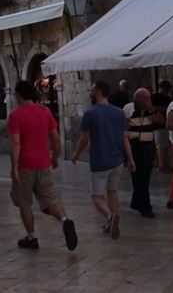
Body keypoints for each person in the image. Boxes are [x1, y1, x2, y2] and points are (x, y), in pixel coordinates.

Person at [5, 79, 78, 251]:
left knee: (24, 203)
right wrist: (56, 157)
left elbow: (16, 144)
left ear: (17, 95)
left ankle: (32, 238)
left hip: (25, 165)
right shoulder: (45, 112)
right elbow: (55, 137)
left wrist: (14, 168)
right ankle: (65, 221)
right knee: (50, 198)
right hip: (44, 163)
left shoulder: (15, 115)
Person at [70, 79, 133, 240]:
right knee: (112, 193)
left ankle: (110, 217)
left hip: (100, 161)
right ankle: (109, 224)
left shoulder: (90, 113)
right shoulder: (119, 112)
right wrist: (130, 159)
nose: (89, 92)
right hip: (117, 160)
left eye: (91, 89)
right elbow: (125, 138)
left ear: (97, 91)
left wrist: (76, 154)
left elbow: (84, 139)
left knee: (97, 197)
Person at [124, 87, 158, 217]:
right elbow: (123, 127)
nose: (148, 101)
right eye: (145, 98)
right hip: (135, 146)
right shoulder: (128, 109)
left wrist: (152, 110)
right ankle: (145, 207)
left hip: (148, 146)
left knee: (145, 177)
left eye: (149, 98)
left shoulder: (150, 110)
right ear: (137, 99)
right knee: (139, 178)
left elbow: (161, 121)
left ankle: (136, 202)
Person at [155, 80, 173, 172]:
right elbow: (152, 108)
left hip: (166, 124)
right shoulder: (154, 97)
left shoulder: (168, 98)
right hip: (158, 125)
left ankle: (164, 164)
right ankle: (162, 165)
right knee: (161, 146)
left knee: (165, 145)